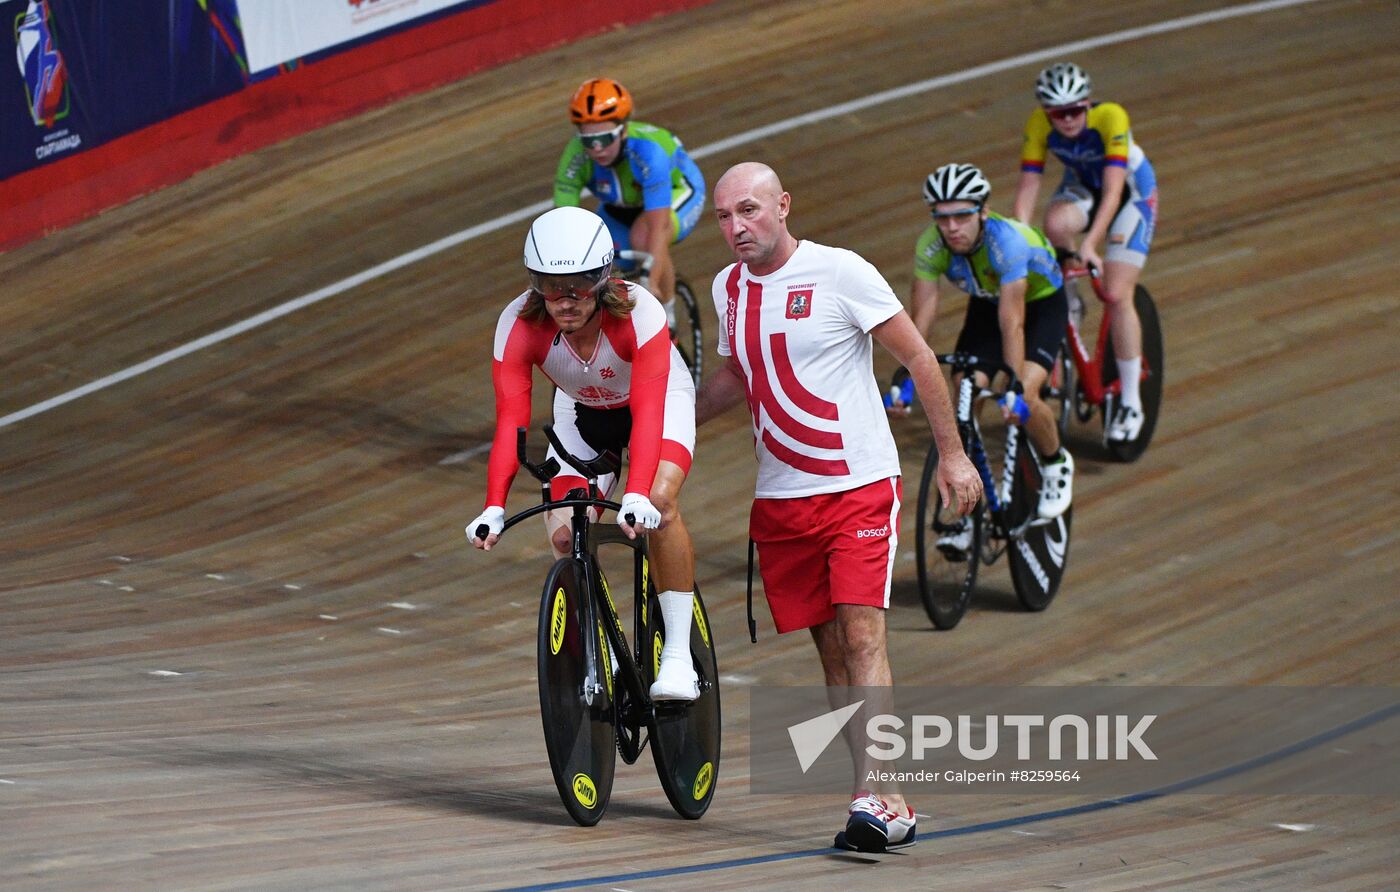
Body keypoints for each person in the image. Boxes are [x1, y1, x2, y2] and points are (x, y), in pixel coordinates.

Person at [695, 162, 983, 854]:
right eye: (725, 217)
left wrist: (952, 455)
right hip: (782, 500)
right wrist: (670, 423)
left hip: (857, 486)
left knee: (862, 639)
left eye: (751, 211)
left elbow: (917, 358)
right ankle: (891, 801)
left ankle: (867, 798)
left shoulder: (841, 272)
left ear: (784, 206)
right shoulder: (726, 287)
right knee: (831, 653)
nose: (737, 228)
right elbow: (737, 373)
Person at [467, 205, 700, 701]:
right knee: (563, 532)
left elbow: (649, 413)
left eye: (579, 285)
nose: (565, 300)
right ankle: (608, 648)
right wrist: (493, 505)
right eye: (551, 287)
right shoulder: (517, 324)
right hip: (581, 411)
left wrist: (637, 492)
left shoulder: (642, 311)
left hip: (655, 403)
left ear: (604, 277)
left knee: (659, 502)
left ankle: (678, 654)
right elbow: (511, 421)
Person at [899, 162, 1074, 532]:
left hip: (1040, 304)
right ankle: (966, 506)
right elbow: (922, 317)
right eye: (942, 218)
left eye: (961, 217)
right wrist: (907, 371)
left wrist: (1011, 385)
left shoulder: (1006, 242)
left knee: (1024, 394)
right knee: (964, 392)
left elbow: (1013, 322)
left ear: (983, 211)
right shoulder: (930, 245)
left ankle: (1056, 461)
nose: (951, 228)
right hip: (986, 301)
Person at [1012, 61, 1159, 442]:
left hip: (1130, 194)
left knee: (1115, 292)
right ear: (1047, 112)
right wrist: (1019, 242)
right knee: (1055, 226)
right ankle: (1070, 303)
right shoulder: (1038, 125)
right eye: (1058, 113)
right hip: (1082, 187)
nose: (1068, 119)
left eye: (1076, 110)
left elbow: (1113, 192)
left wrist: (1092, 245)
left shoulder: (1111, 118)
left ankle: (1131, 400)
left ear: (1088, 103)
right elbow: (1029, 187)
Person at [553, 78, 706, 330]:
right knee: (598, 259)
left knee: (644, 238)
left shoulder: (649, 152)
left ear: (624, 129)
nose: (598, 149)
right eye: (589, 141)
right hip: (622, 206)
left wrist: (650, 283)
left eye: (605, 139)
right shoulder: (575, 156)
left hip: (677, 192)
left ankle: (667, 319)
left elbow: (658, 227)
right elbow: (565, 224)